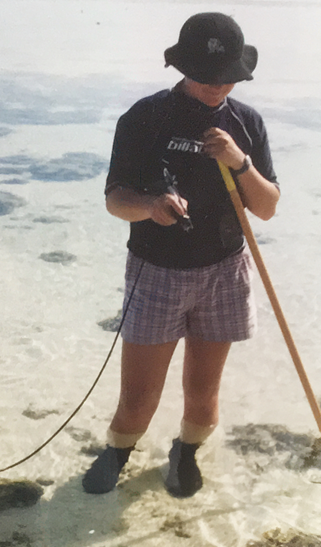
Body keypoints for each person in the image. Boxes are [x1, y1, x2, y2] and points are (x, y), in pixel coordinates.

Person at [83, 13, 280, 498]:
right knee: (138, 398)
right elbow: (114, 200)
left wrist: (241, 161)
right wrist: (151, 206)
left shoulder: (246, 123)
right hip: (158, 272)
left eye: (229, 76)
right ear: (182, 67)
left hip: (225, 270)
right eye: (208, 75)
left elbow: (268, 207)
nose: (219, 86)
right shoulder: (145, 117)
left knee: (203, 392)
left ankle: (186, 452)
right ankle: (118, 451)